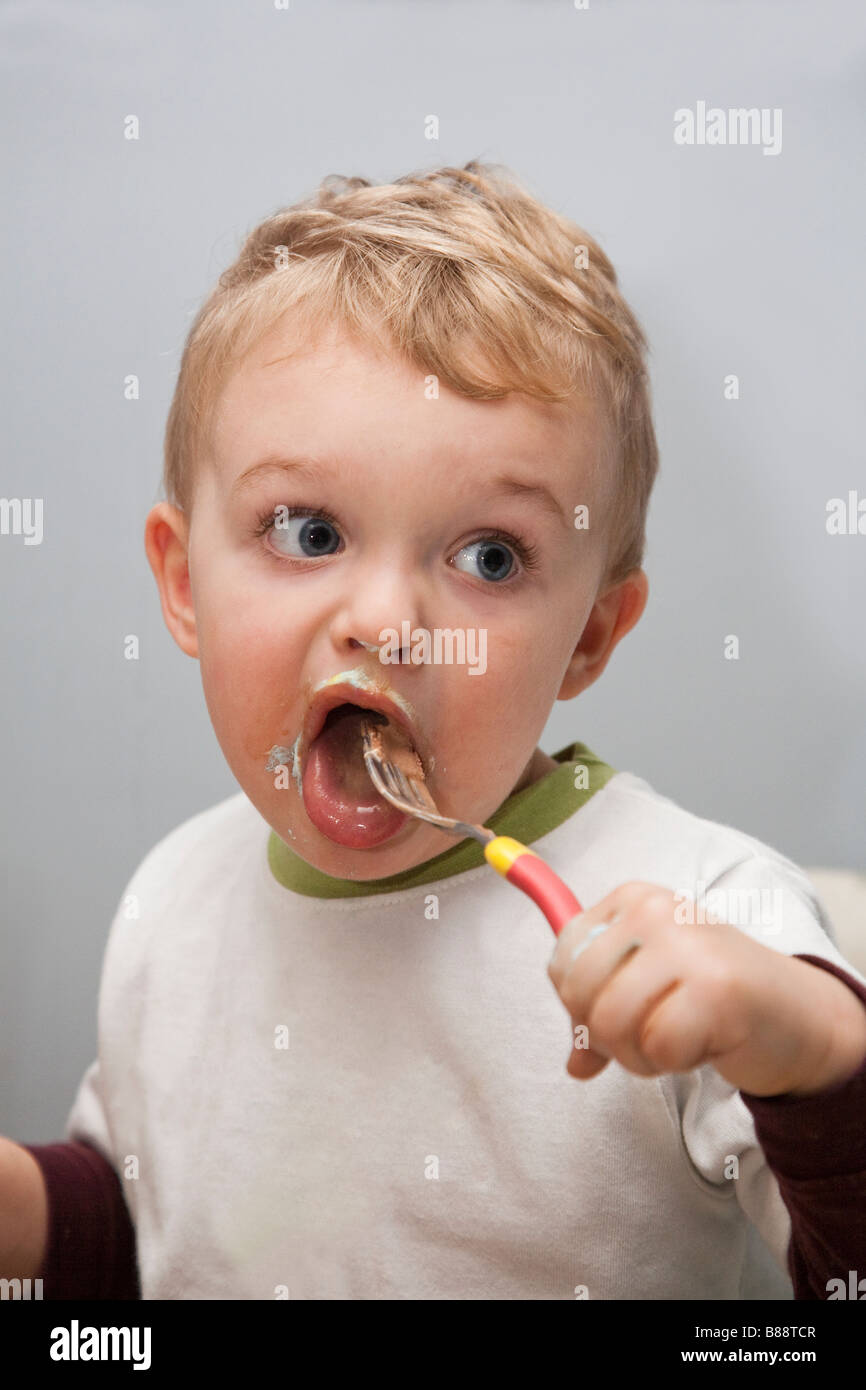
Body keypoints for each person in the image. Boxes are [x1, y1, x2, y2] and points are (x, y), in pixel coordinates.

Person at [6, 161, 866, 1300]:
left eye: (488, 557)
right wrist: (24, 1212)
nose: (382, 622)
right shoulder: (172, 900)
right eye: (308, 532)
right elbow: (156, 1236)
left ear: (589, 637)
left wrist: (810, 1058)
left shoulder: (709, 923)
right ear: (181, 584)